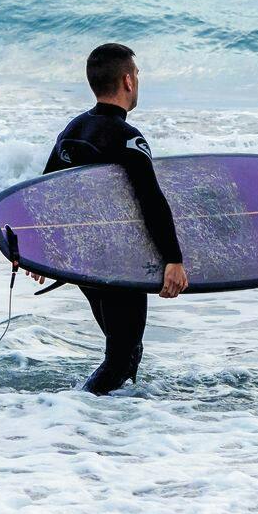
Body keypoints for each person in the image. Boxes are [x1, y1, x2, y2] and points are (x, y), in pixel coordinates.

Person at [42, 43, 188, 394]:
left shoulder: (74, 128)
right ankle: (79, 408)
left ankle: (109, 420)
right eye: (136, 74)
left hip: (84, 263)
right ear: (127, 80)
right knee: (123, 355)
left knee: (122, 350)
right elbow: (151, 201)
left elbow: (44, 192)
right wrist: (173, 259)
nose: (137, 80)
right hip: (117, 262)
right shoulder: (127, 138)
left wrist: (39, 247)